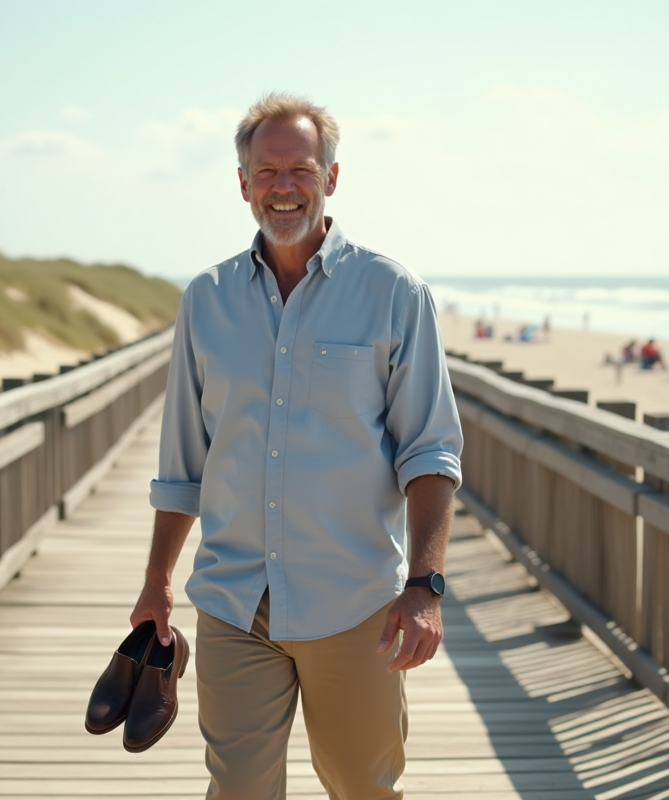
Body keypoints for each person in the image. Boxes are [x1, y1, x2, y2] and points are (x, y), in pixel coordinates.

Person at [132, 93, 463, 799]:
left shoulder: (394, 292)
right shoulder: (207, 299)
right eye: (267, 171)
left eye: (302, 170)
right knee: (240, 789)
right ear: (244, 182)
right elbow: (182, 464)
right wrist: (158, 580)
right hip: (233, 602)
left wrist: (425, 588)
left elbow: (431, 453)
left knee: (361, 786)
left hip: (353, 606)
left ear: (332, 179)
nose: (284, 187)